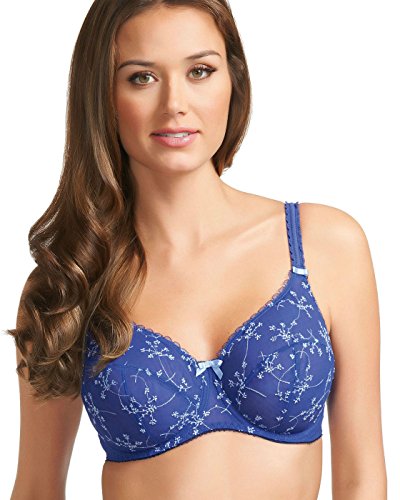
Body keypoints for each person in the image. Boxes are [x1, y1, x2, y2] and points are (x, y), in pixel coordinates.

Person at [8, 1, 387, 499]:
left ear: (233, 80)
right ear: (101, 96)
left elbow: (362, 478)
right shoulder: (70, 282)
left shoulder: (324, 245)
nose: (175, 104)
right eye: (142, 78)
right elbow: (37, 488)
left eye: (200, 71)